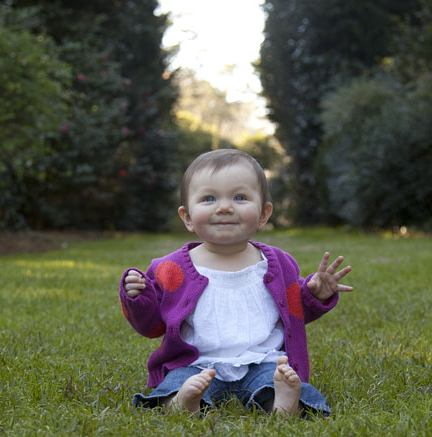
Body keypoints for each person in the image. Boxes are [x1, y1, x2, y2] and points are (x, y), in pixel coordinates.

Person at [118, 149, 353, 416]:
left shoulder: (279, 263)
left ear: (264, 213)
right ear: (187, 217)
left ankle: (282, 404)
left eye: (240, 197)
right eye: (209, 198)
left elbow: (293, 313)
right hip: (196, 364)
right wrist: (137, 297)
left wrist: (315, 294)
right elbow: (151, 325)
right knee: (175, 384)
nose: (225, 207)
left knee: (280, 380)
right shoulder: (169, 268)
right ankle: (181, 402)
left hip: (262, 362)